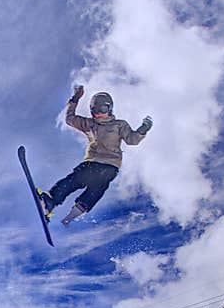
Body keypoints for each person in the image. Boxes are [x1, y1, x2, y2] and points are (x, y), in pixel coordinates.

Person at [39, 85, 152, 225]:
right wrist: (75, 99)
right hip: (92, 162)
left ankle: (80, 208)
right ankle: (49, 202)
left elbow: (132, 140)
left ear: (109, 108)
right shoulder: (90, 124)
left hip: (110, 165)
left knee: (99, 186)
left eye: (102, 109)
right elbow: (70, 119)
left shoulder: (119, 125)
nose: (98, 114)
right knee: (74, 179)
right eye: (94, 110)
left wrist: (143, 129)